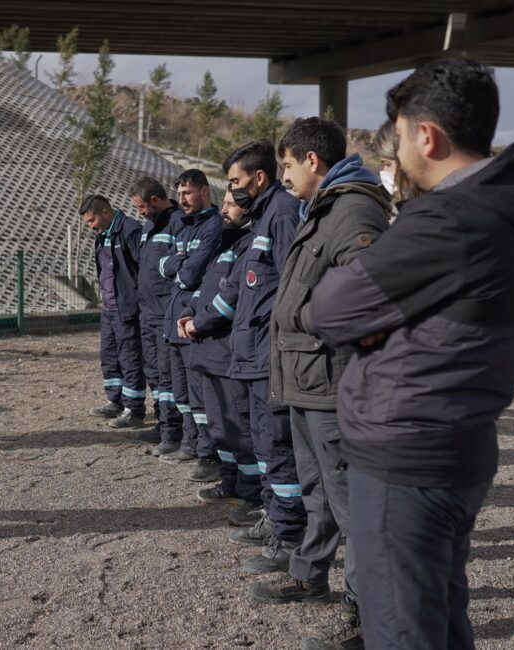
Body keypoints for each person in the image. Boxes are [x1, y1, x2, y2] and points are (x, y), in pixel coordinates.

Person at [309, 58, 514, 650]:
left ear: (427, 135)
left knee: (400, 628)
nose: (396, 152)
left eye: (398, 136)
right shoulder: (505, 208)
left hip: (407, 455)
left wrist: (378, 325)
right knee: (438, 618)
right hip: (454, 444)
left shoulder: (450, 220)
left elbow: (330, 310)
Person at [250, 117, 390, 650]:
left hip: (334, 384)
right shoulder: (326, 207)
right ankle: (310, 574)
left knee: (353, 504)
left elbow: (368, 297)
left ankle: (366, 614)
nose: (283, 174)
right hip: (308, 378)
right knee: (318, 491)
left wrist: (306, 317)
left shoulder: (354, 209)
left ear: (312, 161)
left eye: (286, 164)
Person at [220, 141, 305, 574]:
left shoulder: (285, 212)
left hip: (271, 355)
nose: (231, 191)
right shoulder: (263, 217)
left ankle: (290, 536)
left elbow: (296, 283)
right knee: (263, 443)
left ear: (259, 177)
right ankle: (275, 517)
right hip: (252, 354)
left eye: (235, 181)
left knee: (278, 445)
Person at [177, 191, 261, 505]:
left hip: (227, 353)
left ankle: (252, 494)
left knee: (239, 426)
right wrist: (188, 312)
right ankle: (230, 482)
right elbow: (204, 288)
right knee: (219, 426)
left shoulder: (248, 244)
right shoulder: (223, 243)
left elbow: (233, 296)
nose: (223, 209)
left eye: (230, 203)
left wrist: (201, 322)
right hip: (206, 352)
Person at [155, 169, 225, 482]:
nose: (182, 200)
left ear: (204, 191)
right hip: (174, 319)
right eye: (180, 194)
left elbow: (189, 275)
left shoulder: (213, 226)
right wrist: (179, 263)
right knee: (180, 392)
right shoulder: (185, 228)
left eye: (187, 193)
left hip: (191, 321)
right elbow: (165, 266)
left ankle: (208, 454)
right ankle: (189, 442)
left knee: (199, 396)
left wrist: (180, 265)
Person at [82, 194, 147, 429]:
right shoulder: (103, 235)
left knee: (130, 356)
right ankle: (116, 400)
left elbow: (143, 270)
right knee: (109, 355)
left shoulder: (130, 231)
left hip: (127, 308)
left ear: (106, 213)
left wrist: (137, 302)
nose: (91, 227)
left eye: (92, 221)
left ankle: (134, 409)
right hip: (109, 308)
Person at [130, 177, 185, 446]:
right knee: (152, 371)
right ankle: (162, 422)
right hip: (147, 312)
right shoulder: (148, 226)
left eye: (141, 206)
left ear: (154, 200)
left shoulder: (178, 222)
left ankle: (174, 430)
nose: (139, 212)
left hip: (166, 312)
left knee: (167, 374)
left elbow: (180, 264)